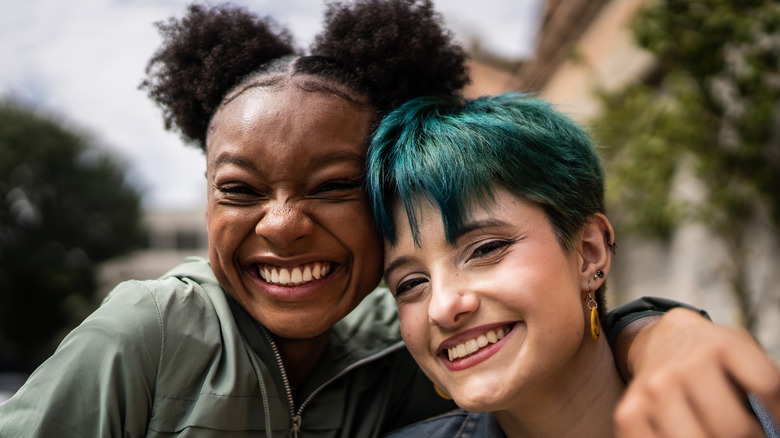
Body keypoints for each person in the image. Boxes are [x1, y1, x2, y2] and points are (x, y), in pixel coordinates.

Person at [0, 1, 775, 437]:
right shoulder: (155, 327)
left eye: (331, 187)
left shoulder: (405, 351)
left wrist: (665, 331)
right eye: (238, 191)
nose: (280, 224)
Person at [367, 92, 780, 438]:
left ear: (589, 252)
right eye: (409, 283)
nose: (441, 307)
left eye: (485, 249)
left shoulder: (751, 415)